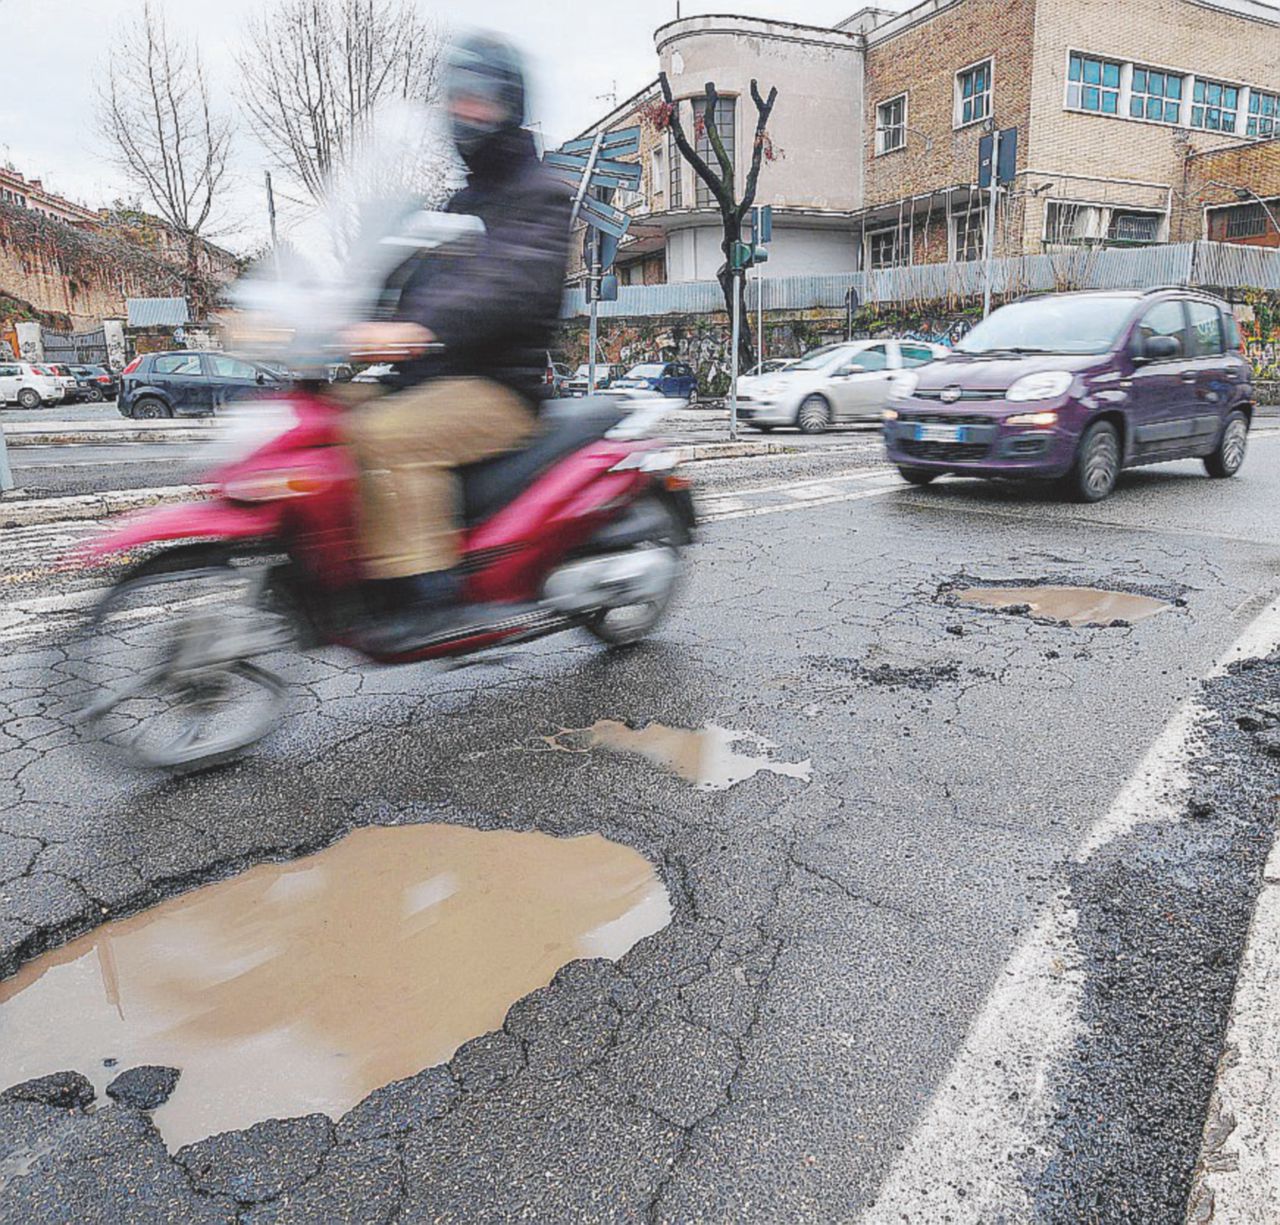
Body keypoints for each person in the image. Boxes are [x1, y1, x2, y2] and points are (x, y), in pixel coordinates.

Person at [344, 32, 572, 653]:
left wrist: (420, 330)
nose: (464, 113)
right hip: (440, 378)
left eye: (479, 100)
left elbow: (506, 284)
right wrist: (349, 314)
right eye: (457, 100)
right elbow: (414, 275)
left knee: (389, 436)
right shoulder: (464, 197)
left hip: (501, 387)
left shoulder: (541, 194)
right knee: (332, 417)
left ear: (509, 105)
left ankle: (431, 593)